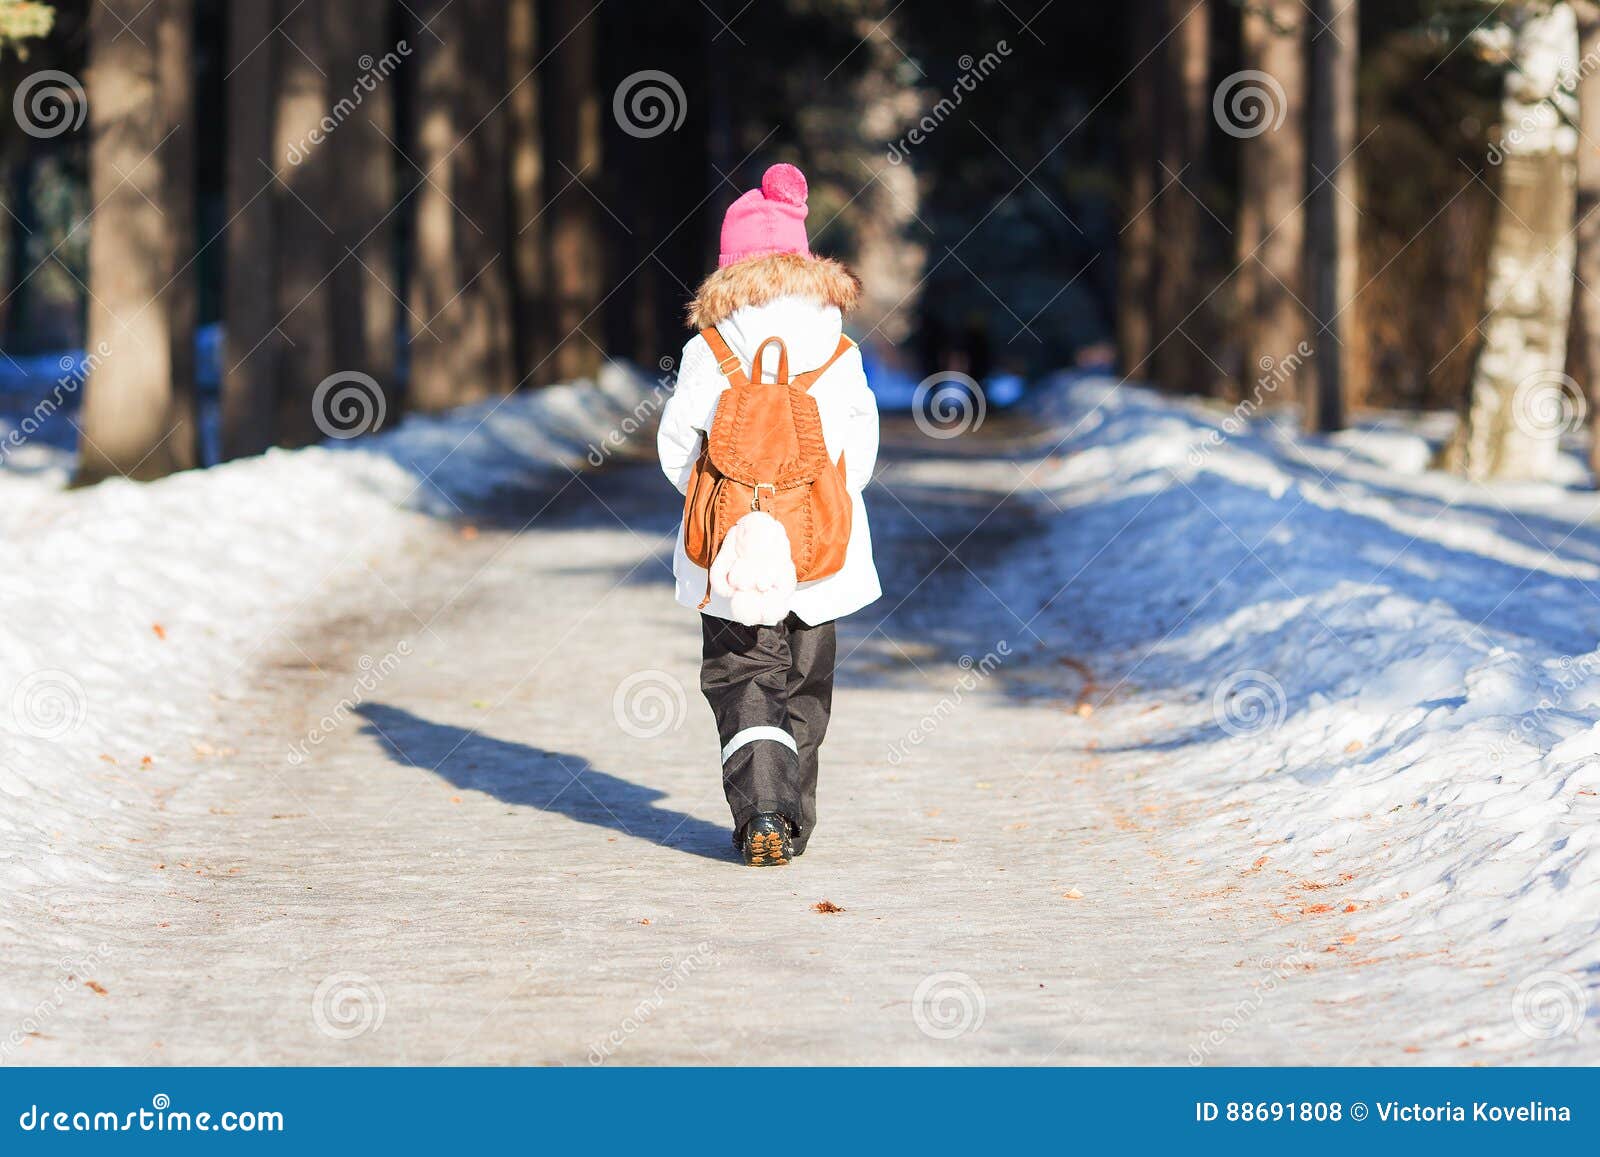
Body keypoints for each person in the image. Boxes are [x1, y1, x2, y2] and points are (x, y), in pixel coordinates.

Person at [656, 163, 881, 866]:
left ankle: (760, 810)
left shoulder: (708, 348)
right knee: (805, 684)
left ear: (729, 270)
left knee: (743, 674)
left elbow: (675, 450)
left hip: (733, 557)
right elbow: (859, 452)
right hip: (823, 554)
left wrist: (732, 503)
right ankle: (793, 817)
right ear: (802, 262)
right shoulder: (837, 347)